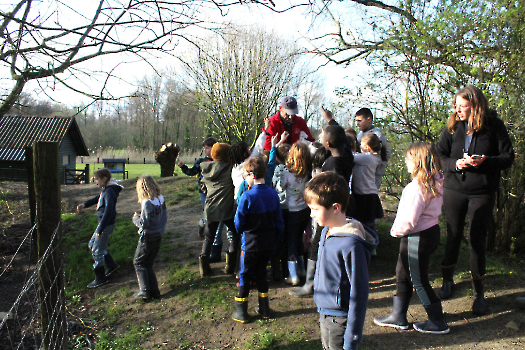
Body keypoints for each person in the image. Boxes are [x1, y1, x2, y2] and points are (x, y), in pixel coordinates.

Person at [436, 85, 514, 315]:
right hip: (454, 189)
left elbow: (507, 157)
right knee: (453, 235)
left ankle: (478, 293)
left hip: (482, 192)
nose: (457, 110)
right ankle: (447, 281)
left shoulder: (495, 126)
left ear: (475, 106)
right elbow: (439, 156)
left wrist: (485, 161)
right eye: (456, 105)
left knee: (477, 240)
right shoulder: (452, 126)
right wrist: (456, 164)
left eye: (462, 106)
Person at [373, 142, 449, 334]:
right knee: (402, 273)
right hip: (427, 233)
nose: (405, 163)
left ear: (417, 162)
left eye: (408, 159)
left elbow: (410, 219)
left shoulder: (418, 188)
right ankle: (398, 315)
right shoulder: (436, 182)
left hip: (417, 237)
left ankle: (437, 320)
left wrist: (395, 232)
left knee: (418, 279)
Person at [304, 172, 378, 350]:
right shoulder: (325, 231)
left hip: (340, 319)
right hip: (325, 312)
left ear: (335, 207)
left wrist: (352, 336)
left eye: (315, 209)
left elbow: (359, 293)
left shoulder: (351, 245)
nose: (311, 214)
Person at [232, 157, 284, 323]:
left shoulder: (247, 197)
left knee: (245, 275)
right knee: (261, 273)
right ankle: (264, 308)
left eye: (245, 175)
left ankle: (241, 312)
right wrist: (275, 239)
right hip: (268, 243)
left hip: (250, 244)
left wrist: (241, 234)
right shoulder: (273, 194)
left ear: (252, 175)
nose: (244, 178)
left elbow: (238, 222)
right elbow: (279, 222)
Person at [177, 137, 225, 262]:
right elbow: (192, 172)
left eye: (207, 148)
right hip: (203, 192)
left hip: (216, 192)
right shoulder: (201, 160)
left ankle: (214, 249)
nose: (205, 150)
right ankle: (202, 224)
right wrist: (183, 167)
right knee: (207, 215)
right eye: (204, 147)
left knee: (216, 217)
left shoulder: (220, 161)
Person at [76, 168, 122, 288]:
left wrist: (100, 229)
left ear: (104, 179)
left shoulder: (110, 191)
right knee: (92, 245)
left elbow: (109, 211)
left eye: (96, 179)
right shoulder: (106, 190)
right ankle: (111, 265)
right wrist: (84, 205)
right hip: (103, 225)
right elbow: (98, 198)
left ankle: (100, 278)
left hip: (105, 225)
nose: (94, 181)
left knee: (97, 251)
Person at [199, 142, 239, 277]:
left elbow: (202, 188)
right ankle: (230, 265)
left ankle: (204, 268)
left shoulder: (205, 169)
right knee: (234, 235)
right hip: (227, 208)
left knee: (209, 237)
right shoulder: (230, 168)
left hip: (210, 208)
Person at [274, 141, 312, 286]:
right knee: (299, 240)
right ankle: (302, 269)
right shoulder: (307, 171)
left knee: (290, 242)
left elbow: (280, 187)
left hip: (291, 211)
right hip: (304, 210)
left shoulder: (286, 172)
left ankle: (293, 275)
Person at [132, 175, 167, 300]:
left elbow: (145, 223)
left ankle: (144, 290)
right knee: (149, 263)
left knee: (139, 262)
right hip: (158, 234)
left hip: (147, 237)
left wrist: (136, 219)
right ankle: (154, 291)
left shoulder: (147, 202)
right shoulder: (161, 199)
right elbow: (160, 217)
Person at [352, 133, 386, 232]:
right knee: (367, 225)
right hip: (368, 194)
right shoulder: (373, 157)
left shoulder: (367, 158)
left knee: (366, 226)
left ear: (366, 147)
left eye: (361, 144)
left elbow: (351, 156)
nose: (359, 146)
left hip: (365, 196)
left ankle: (369, 244)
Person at [354, 107, 391, 189]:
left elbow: (386, 153)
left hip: (372, 177)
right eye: (356, 121)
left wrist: (374, 166)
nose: (357, 124)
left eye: (360, 120)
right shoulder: (359, 135)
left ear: (369, 119)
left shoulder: (377, 135)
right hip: (360, 175)